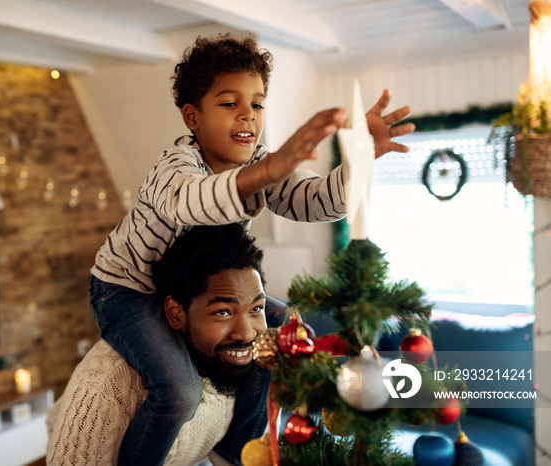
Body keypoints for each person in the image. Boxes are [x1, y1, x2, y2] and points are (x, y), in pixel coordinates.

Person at [89, 33, 415, 465]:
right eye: (229, 103)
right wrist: (264, 173)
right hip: (129, 290)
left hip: (194, 291)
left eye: (257, 104)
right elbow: (194, 202)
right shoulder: (175, 169)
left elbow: (317, 202)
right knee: (179, 392)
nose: (247, 114)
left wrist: (359, 160)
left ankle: (233, 448)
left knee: (280, 336)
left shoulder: (258, 162)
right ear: (192, 117)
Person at [47, 224, 272, 465]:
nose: (246, 333)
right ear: (175, 313)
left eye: (256, 308)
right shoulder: (110, 388)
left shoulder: (241, 364)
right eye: (223, 312)